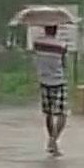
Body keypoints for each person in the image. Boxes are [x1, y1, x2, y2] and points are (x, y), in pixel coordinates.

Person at [33, 25, 69, 156]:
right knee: (62, 114)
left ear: (45, 29)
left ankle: (52, 141)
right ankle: (53, 140)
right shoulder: (62, 45)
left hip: (43, 81)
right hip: (59, 81)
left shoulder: (37, 43)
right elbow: (64, 64)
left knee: (49, 113)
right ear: (56, 30)